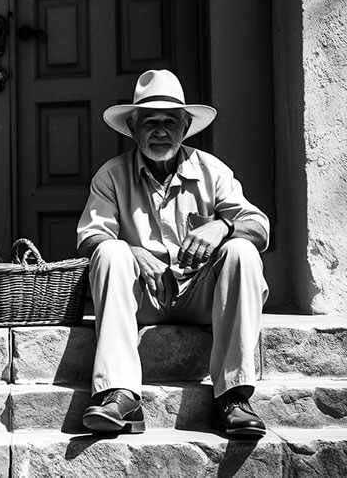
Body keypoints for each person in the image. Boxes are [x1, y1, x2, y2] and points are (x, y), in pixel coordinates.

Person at [76, 69, 269, 438]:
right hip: (143, 298)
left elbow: (260, 228)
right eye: (150, 122)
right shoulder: (111, 176)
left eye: (170, 122)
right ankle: (120, 395)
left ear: (185, 128)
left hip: (202, 298)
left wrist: (222, 226)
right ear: (133, 129)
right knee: (111, 252)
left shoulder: (214, 171)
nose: (160, 130)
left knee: (242, 250)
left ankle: (232, 398)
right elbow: (90, 239)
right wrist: (133, 250)